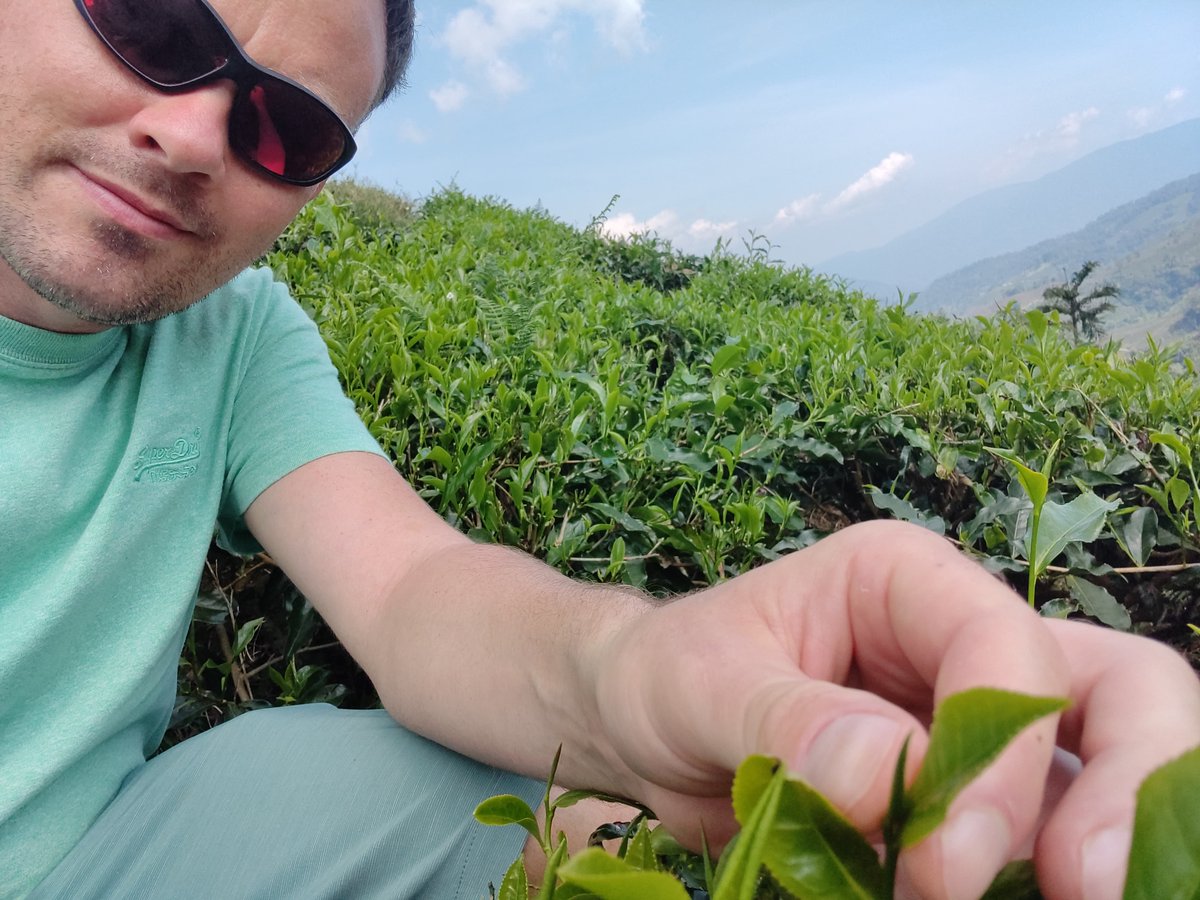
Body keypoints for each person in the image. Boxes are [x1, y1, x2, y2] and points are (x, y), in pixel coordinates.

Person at [0, 1, 1196, 898]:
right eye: (150, 23)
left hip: (96, 847)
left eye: (288, 127)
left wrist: (645, 673)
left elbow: (414, 586)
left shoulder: (234, 332)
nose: (196, 136)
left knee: (555, 816)